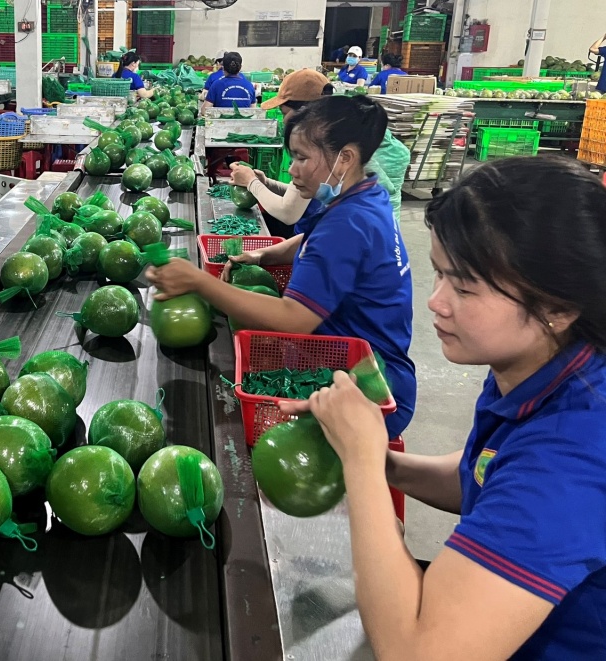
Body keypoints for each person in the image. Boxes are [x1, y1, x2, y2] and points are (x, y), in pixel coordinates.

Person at [280, 157, 606, 659]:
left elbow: (415, 652)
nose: (436, 302)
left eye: (464, 287)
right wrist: (375, 458)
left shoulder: (572, 454)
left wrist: (363, 464)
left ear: (557, 308)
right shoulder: (541, 366)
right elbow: (485, 473)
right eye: (438, 274)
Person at [148, 95, 415, 440]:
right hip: (369, 372)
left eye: (302, 158)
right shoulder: (366, 197)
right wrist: (263, 256)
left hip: (364, 393)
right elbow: (314, 241)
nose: (291, 169)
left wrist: (201, 282)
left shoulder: (348, 223)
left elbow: (294, 319)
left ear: (345, 158)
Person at [231, 69, 334, 238]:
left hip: (316, 240)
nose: (284, 120)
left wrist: (251, 182)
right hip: (311, 234)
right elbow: (302, 195)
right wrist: (266, 183)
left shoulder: (316, 148)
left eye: (285, 113)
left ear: (306, 111)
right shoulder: (325, 137)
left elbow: (288, 213)